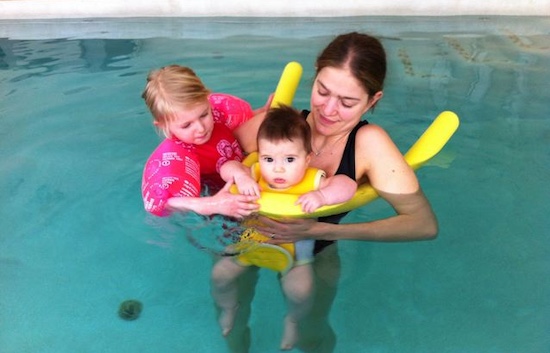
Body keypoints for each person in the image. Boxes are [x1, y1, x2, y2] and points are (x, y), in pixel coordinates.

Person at [220, 32, 438, 353]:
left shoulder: (369, 144)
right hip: (249, 235)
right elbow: (215, 153)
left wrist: (321, 228)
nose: (328, 110)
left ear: (372, 101)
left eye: (347, 102)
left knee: (311, 334)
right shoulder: (282, 124)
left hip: (314, 248)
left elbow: (422, 224)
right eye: (322, 91)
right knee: (231, 322)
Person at [211, 105, 357, 351]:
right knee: (219, 275)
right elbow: (227, 167)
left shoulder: (312, 180)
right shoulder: (256, 174)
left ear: (307, 158)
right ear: (260, 157)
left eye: (290, 159)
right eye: (269, 159)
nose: (278, 169)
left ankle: (293, 320)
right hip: (251, 244)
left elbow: (348, 185)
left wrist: (322, 196)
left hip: (294, 254)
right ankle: (229, 308)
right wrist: (242, 177)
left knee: (302, 293)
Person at [141, 64, 262, 218]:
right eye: (186, 125)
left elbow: (245, 121)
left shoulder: (219, 114)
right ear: (163, 125)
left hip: (247, 175)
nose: (200, 128)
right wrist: (211, 205)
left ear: (207, 99)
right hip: (223, 204)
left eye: (204, 114)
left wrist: (261, 113)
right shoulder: (175, 156)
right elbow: (162, 203)